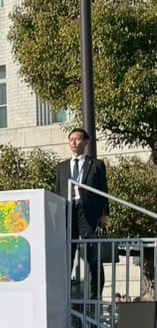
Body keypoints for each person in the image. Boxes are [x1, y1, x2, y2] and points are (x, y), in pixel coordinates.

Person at [55, 127, 109, 299]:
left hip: (89, 214)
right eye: (71, 139)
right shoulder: (62, 167)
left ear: (85, 142)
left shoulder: (96, 165)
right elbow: (57, 192)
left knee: (94, 258)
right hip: (69, 212)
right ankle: (64, 296)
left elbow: (103, 191)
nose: (73, 142)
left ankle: (95, 299)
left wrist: (104, 214)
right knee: (67, 255)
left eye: (77, 139)